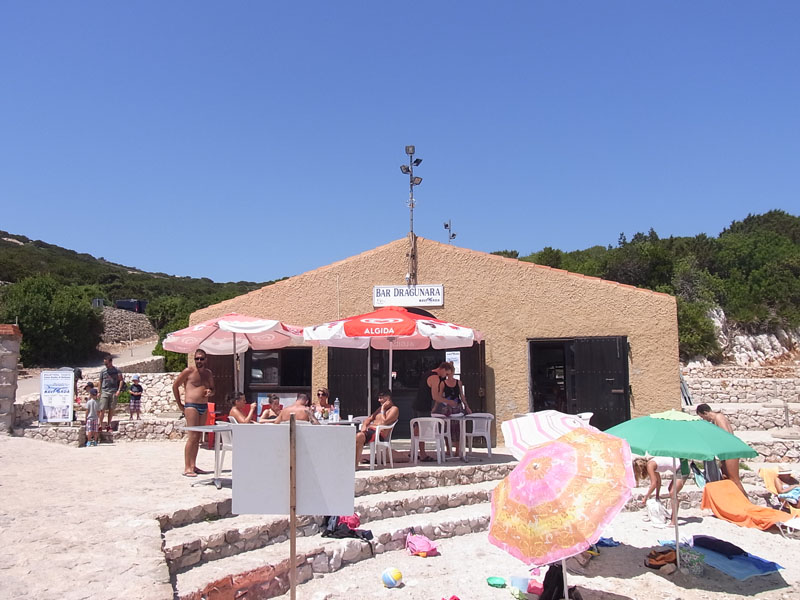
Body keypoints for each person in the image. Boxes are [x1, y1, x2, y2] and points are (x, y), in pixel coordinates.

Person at [173, 349, 215, 477]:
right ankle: (187, 467)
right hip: (192, 406)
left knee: (198, 437)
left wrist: (210, 392)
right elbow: (175, 385)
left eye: (201, 358)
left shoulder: (208, 373)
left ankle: (193, 465)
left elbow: (213, 389)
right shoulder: (189, 371)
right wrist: (180, 404)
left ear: (206, 360)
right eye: (197, 358)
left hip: (203, 406)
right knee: (192, 436)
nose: (199, 361)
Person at [696, 403, 747, 497]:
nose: (704, 419)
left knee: (734, 480)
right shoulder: (715, 421)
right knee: (725, 477)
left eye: (702, 417)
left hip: (731, 451)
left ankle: (747, 502)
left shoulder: (719, 417)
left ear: (705, 413)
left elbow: (726, 435)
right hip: (725, 452)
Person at [633, 456, 689, 526]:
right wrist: (657, 496)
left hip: (682, 469)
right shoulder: (651, 463)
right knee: (670, 490)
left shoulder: (650, 465)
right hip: (679, 469)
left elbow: (653, 484)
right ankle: (673, 517)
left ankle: (674, 521)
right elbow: (658, 481)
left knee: (672, 493)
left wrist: (646, 497)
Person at [432, 362, 472, 457]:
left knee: (457, 428)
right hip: (447, 408)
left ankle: (457, 449)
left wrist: (466, 406)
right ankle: (448, 449)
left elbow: (462, 395)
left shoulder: (458, 382)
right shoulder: (443, 383)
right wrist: (435, 407)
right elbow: (439, 396)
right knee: (447, 428)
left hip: (457, 407)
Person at [412, 362, 448, 462]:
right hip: (424, 406)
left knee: (416, 429)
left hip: (416, 404)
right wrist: (449, 401)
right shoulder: (435, 378)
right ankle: (423, 454)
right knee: (422, 431)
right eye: (446, 374)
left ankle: (414, 451)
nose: (445, 376)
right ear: (443, 369)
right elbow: (435, 396)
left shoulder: (427, 373)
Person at [355, 390, 400, 467]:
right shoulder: (379, 409)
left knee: (359, 436)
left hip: (379, 433)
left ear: (388, 398)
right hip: (369, 431)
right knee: (351, 435)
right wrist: (364, 426)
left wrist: (383, 409)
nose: (379, 400)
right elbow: (369, 419)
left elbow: (384, 422)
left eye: (381, 398)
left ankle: (355, 464)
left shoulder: (394, 409)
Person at [98, 355, 123, 433]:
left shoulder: (117, 370)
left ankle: (109, 425)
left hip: (113, 391)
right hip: (105, 391)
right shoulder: (103, 371)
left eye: (107, 363)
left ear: (111, 362)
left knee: (111, 409)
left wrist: (119, 390)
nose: (106, 365)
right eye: (105, 364)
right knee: (102, 409)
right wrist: (99, 391)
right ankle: (100, 425)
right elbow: (100, 381)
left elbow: (121, 380)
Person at [83, 383, 99, 447]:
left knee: (89, 430)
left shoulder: (89, 402)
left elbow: (87, 411)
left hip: (89, 418)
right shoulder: (97, 402)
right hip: (95, 418)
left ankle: (89, 441)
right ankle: (95, 441)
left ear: (90, 394)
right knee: (95, 430)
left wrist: (85, 418)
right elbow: (98, 411)